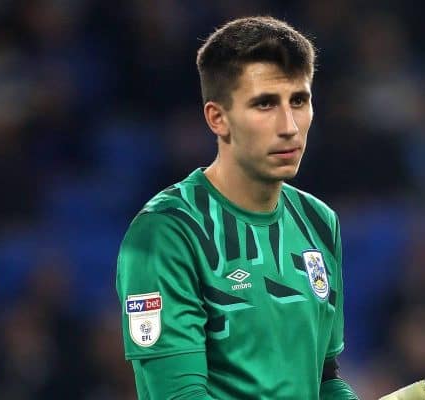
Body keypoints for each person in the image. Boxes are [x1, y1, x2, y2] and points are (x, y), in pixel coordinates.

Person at [116, 16, 359, 399]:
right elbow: (179, 395)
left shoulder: (320, 222)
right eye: (265, 104)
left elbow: (324, 379)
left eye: (299, 100)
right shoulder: (165, 233)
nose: (289, 127)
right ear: (218, 118)